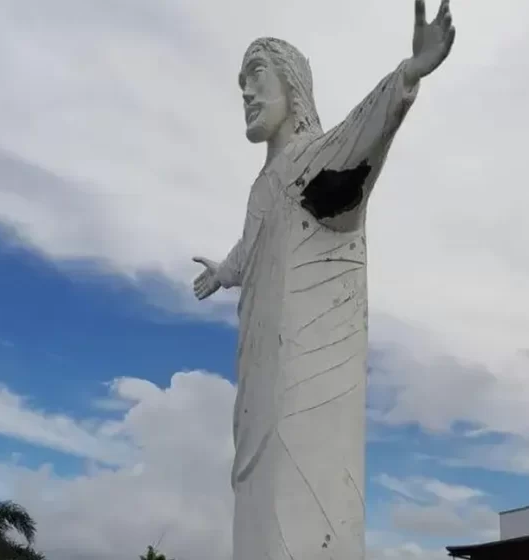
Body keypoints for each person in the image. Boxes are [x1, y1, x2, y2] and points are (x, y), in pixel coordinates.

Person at [192, 2, 456, 558]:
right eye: (241, 84)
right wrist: (225, 272)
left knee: (300, 497)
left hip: (308, 372)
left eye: (256, 75)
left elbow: (364, 135)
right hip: (260, 368)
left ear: (292, 85)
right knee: (255, 492)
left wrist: (408, 74)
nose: (246, 93)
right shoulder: (263, 185)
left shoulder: (314, 160)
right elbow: (253, 242)